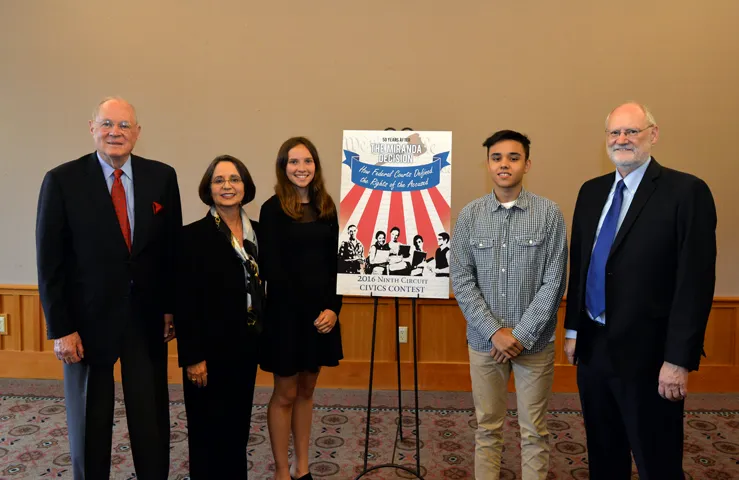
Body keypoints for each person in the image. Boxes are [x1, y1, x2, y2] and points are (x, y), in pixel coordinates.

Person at [564, 102, 717, 479]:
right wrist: (572, 330)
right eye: (615, 133)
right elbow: (580, 265)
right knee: (604, 455)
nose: (622, 140)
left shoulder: (686, 192)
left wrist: (678, 359)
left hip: (651, 359)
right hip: (594, 350)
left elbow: (695, 282)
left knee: (657, 461)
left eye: (631, 131)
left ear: (653, 134)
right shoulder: (591, 192)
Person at [35, 97, 181, 479]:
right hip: (85, 325)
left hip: (145, 322)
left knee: (150, 419)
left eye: (124, 125)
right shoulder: (62, 180)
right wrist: (61, 328)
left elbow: (169, 252)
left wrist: (169, 308)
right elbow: (50, 262)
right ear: (91, 128)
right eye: (107, 124)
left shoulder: (162, 177)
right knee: (90, 423)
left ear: (137, 133)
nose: (115, 132)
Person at [451, 130, 567, 480]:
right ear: (488, 164)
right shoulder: (469, 217)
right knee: (487, 429)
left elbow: (554, 281)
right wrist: (495, 333)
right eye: (497, 157)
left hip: (535, 345)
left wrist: (519, 335)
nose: (505, 164)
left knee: (535, 432)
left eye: (513, 157)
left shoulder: (549, 214)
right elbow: (462, 279)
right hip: (484, 345)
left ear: (527, 164)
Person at [259, 136, 343, 480]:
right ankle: (281, 470)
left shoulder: (327, 207)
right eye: (293, 162)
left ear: (315, 166)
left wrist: (333, 309)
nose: (301, 168)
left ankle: (302, 467)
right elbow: (272, 270)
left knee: (307, 392)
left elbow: (339, 263)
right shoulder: (272, 208)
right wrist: (309, 311)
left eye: (307, 161)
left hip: (323, 317)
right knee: (285, 393)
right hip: (285, 317)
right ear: (283, 168)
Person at [175, 155, 264, 478]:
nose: (228, 186)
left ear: (245, 186)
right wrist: (193, 357)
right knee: (206, 431)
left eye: (235, 179)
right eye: (219, 180)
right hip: (207, 354)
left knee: (237, 428)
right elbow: (185, 301)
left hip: (246, 348)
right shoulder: (191, 237)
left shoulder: (258, 234)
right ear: (208, 189)